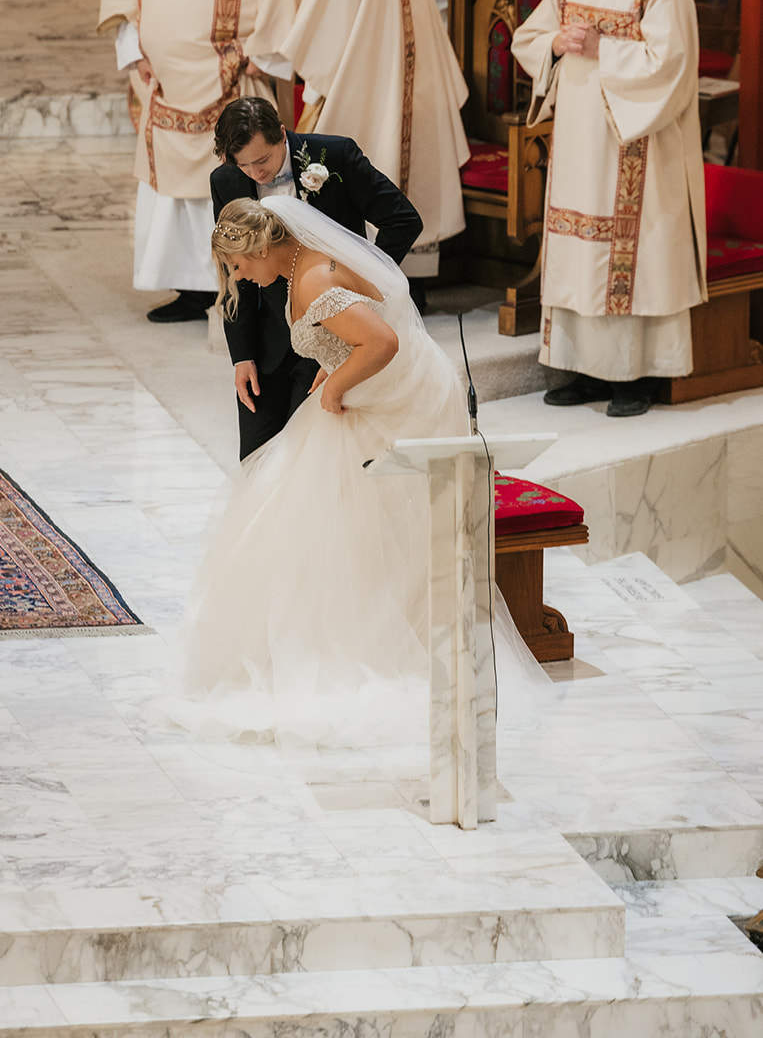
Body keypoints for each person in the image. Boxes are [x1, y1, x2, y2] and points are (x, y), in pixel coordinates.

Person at [166, 195, 549, 753]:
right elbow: (360, 333)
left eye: (240, 265)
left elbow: (385, 341)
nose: (240, 277)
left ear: (262, 248)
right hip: (374, 393)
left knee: (339, 509)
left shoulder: (315, 279)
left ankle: (371, 641)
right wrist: (332, 371)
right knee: (296, 494)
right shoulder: (299, 265)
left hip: (403, 402)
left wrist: (340, 384)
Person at [99, 0, 314, 323]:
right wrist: (134, 48)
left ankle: (245, 286)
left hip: (234, 75)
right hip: (165, 79)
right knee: (173, 194)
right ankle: (190, 288)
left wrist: (261, 53)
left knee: (233, 179)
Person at [511, 0, 706, 417]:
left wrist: (605, 49)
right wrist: (554, 41)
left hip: (631, 139)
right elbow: (529, 38)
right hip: (576, 138)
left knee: (627, 252)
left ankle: (631, 379)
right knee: (576, 247)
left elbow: (674, 65)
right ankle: (579, 370)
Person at [278, 0, 470, 280]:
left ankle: (366, 276)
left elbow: (331, 10)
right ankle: (410, 275)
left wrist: (301, 55)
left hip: (371, 66)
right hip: (407, 59)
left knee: (359, 148)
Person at [210, 96, 423, 458]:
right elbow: (237, 267)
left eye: (262, 160)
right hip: (269, 340)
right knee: (256, 460)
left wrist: (359, 280)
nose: (255, 173)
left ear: (281, 134)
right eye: (244, 165)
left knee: (309, 460)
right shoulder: (227, 179)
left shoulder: (333, 156)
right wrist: (241, 354)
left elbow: (402, 219)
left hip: (335, 332)